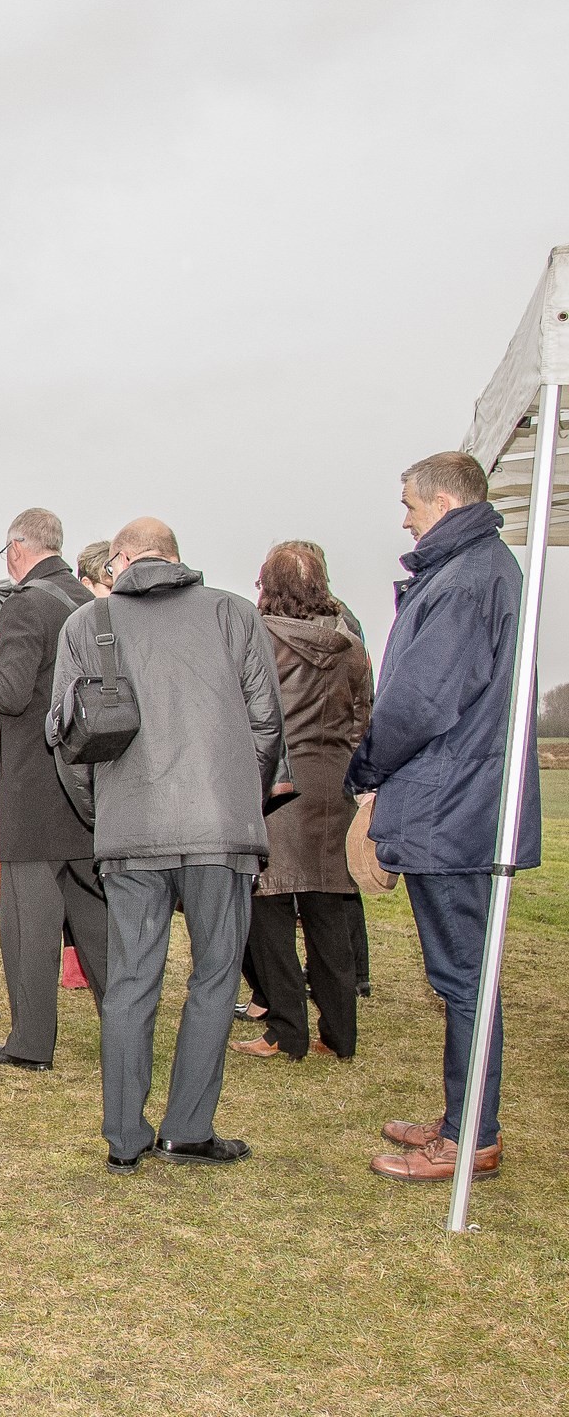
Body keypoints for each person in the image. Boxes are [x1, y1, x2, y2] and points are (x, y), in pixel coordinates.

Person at [48, 518, 287, 1171]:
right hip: (220, 831)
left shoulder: (87, 625)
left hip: (131, 831)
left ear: (122, 559)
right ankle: (188, 1129)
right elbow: (266, 726)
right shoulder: (234, 614)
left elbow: (66, 742)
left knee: (129, 982)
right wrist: (237, 801)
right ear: (176, 557)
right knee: (215, 976)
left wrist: (103, 814)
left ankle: (125, 1139)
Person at [349, 452, 538, 1184]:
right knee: (462, 975)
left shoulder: (466, 579)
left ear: (445, 503)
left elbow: (422, 701)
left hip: (452, 805)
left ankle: (470, 1136)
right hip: (459, 797)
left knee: (465, 979)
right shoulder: (473, 570)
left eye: (410, 504)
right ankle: (466, 1118)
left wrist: (367, 767)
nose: (405, 519)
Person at [0, 507, 106, 1071]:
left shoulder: (26, 603)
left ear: (18, 549)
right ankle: (123, 1025)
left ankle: (30, 1042)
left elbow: (12, 692)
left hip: (33, 786)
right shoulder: (90, 601)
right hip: (85, 785)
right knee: (95, 919)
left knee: (28, 925)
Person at [230, 543, 373, 1065]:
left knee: (267, 913)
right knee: (327, 910)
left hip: (277, 785)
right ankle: (340, 1034)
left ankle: (287, 1030)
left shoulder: (257, 638)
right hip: (332, 788)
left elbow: (245, 714)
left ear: (268, 585)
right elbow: (363, 719)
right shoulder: (351, 645)